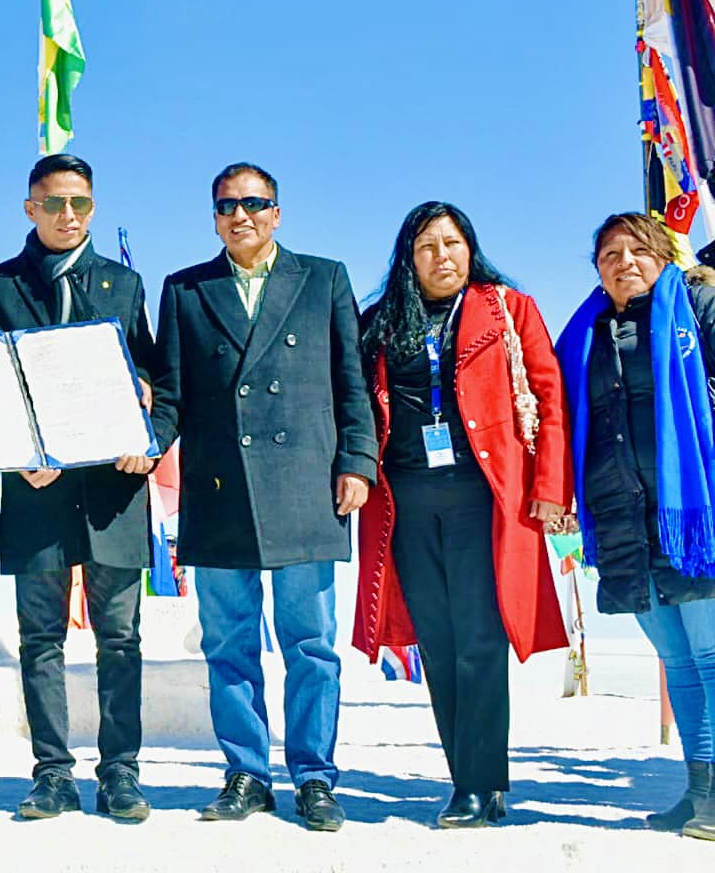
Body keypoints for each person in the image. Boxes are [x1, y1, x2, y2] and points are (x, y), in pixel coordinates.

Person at [147, 162, 375, 832]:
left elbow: (351, 383)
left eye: (254, 203)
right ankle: (246, 773)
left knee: (311, 644)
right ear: (213, 216)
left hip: (308, 485)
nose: (240, 215)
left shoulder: (324, 278)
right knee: (229, 646)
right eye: (226, 206)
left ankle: (314, 777)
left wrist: (356, 461)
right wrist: (139, 444)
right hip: (218, 493)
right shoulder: (185, 290)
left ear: (278, 212)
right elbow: (171, 396)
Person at [353, 201, 572, 828]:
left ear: (470, 249)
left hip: (486, 499)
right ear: (407, 258)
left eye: (451, 243)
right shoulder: (380, 324)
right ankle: (467, 781)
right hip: (407, 504)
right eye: (426, 246)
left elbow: (551, 399)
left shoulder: (509, 309)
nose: (441, 256)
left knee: (480, 639)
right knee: (439, 644)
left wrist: (552, 487)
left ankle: (480, 785)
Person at [0, 154, 157, 822]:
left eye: (79, 202)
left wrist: (148, 435)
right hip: (36, 491)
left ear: (93, 207)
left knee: (121, 638)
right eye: (53, 203)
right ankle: (51, 773)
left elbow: (156, 385)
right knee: (40, 636)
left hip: (114, 493)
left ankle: (122, 775)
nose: (67, 215)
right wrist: (16, 452)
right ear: (30, 209)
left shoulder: (126, 285)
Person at [555, 213, 715, 842]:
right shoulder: (585, 333)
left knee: (709, 653)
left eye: (638, 250)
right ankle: (698, 790)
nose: (624, 262)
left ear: (664, 256)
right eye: (609, 254)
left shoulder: (697, 306)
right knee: (677, 658)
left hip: (693, 512)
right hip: (623, 515)